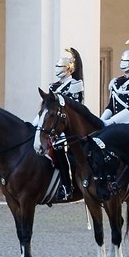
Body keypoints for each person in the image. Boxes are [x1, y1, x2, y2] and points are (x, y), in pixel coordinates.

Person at [42, 47, 85, 200]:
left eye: (61, 67)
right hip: (53, 126)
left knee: (60, 148)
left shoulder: (75, 85)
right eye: (57, 66)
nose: (57, 69)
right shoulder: (53, 87)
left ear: (69, 69)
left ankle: (67, 187)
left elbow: (75, 107)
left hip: (69, 127)